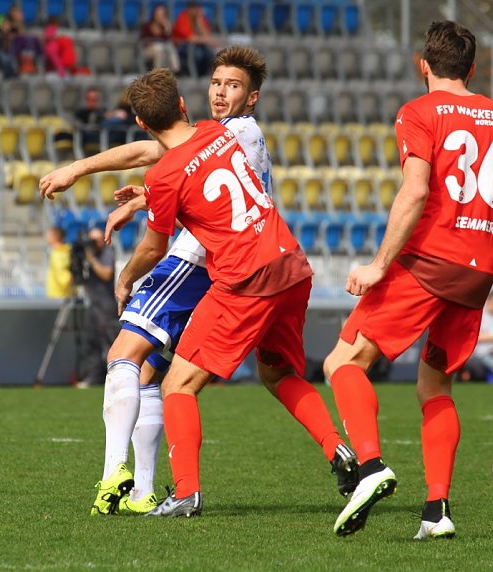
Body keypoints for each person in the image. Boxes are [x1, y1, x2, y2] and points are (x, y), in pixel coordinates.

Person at [39, 47, 358, 517]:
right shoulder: (211, 132)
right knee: (261, 374)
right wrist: (123, 185)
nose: (222, 92)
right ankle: (339, 451)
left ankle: (139, 481)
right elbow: (176, 155)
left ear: (252, 100)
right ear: (190, 101)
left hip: (217, 262)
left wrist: (130, 256)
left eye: (233, 86)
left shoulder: (242, 131)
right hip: (282, 260)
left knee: (146, 366)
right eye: (216, 83)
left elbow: (179, 180)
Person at [323, 21, 493, 540]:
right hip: (479, 270)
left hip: (430, 261)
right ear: (471, 69)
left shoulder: (418, 112)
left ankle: (371, 468)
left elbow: (415, 191)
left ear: (424, 66)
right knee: (434, 384)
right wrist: (475, 200)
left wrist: (377, 265)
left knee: (343, 360)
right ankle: (437, 512)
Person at [72, 227, 119, 388]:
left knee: (111, 339)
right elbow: (78, 277)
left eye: (97, 240)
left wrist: (91, 259)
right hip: (93, 302)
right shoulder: (86, 253)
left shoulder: (107, 252)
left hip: (106, 303)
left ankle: (120, 376)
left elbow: (106, 274)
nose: (94, 244)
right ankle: (93, 378)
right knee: (91, 341)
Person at [172, 1, 217, 77]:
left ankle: (204, 75)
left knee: (210, 54)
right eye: (194, 9)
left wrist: (199, 23)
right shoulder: (183, 17)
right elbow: (190, 38)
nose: (196, 11)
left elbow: (207, 35)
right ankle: (191, 75)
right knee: (198, 54)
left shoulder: (200, 19)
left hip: (198, 45)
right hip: (182, 46)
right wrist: (206, 40)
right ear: (189, 9)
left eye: (197, 9)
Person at [140, 3, 180, 73]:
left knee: (170, 47)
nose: (160, 16)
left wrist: (167, 27)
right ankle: (157, 73)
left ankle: (176, 70)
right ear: (154, 14)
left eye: (162, 14)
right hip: (148, 50)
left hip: (163, 49)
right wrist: (150, 44)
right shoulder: (147, 25)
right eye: (158, 14)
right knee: (159, 50)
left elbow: (169, 40)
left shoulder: (164, 27)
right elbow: (142, 40)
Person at [74, 88, 105, 155]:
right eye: (91, 98)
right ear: (87, 99)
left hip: (100, 135)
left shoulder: (101, 112)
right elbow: (79, 125)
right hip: (85, 136)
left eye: (95, 98)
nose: (93, 100)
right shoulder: (81, 113)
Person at [45, 226, 73, 299]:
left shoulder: (58, 254)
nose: (46, 238)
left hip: (59, 295)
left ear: (54, 237)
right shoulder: (63, 251)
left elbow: (64, 277)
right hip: (62, 294)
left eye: (48, 235)